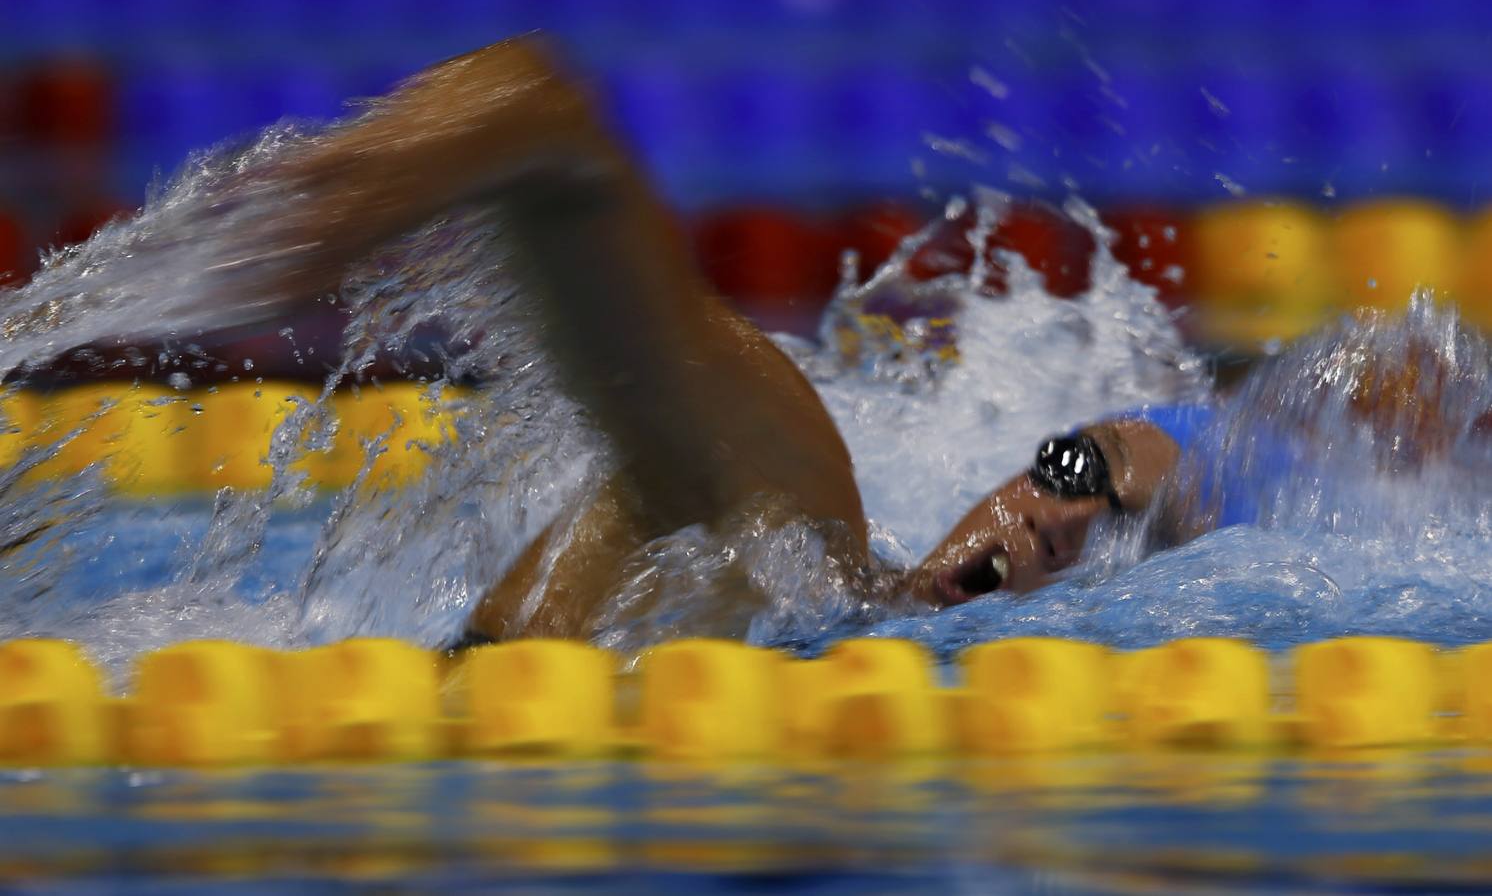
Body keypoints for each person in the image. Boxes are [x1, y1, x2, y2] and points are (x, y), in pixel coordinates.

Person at [250, 36, 1206, 641]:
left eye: (1122, 529)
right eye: (1079, 465)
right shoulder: (793, 515)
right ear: (1017, 471)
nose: (1070, 517)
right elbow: (542, 109)